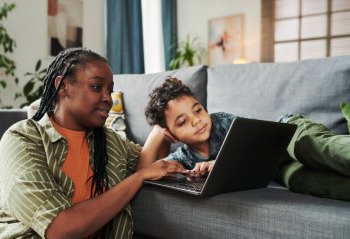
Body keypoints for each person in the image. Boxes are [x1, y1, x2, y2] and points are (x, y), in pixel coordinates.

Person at [0, 48, 188, 239]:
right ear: (63, 86)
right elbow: (62, 228)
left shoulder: (110, 141)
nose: (108, 98)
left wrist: (161, 132)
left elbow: (151, 165)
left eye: (110, 90)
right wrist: (138, 177)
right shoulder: (23, 140)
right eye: (97, 87)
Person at [143, 77, 350, 200]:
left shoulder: (223, 122)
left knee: (309, 148)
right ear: (171, 134)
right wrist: (157, 133)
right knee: (301, 181)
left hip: (287, 132)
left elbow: (263, 138)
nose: (197, 121)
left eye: (198, 110)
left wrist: (221, 164)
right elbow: (143, 173)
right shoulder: (184, 159)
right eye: (182, 122)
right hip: (277, 168)